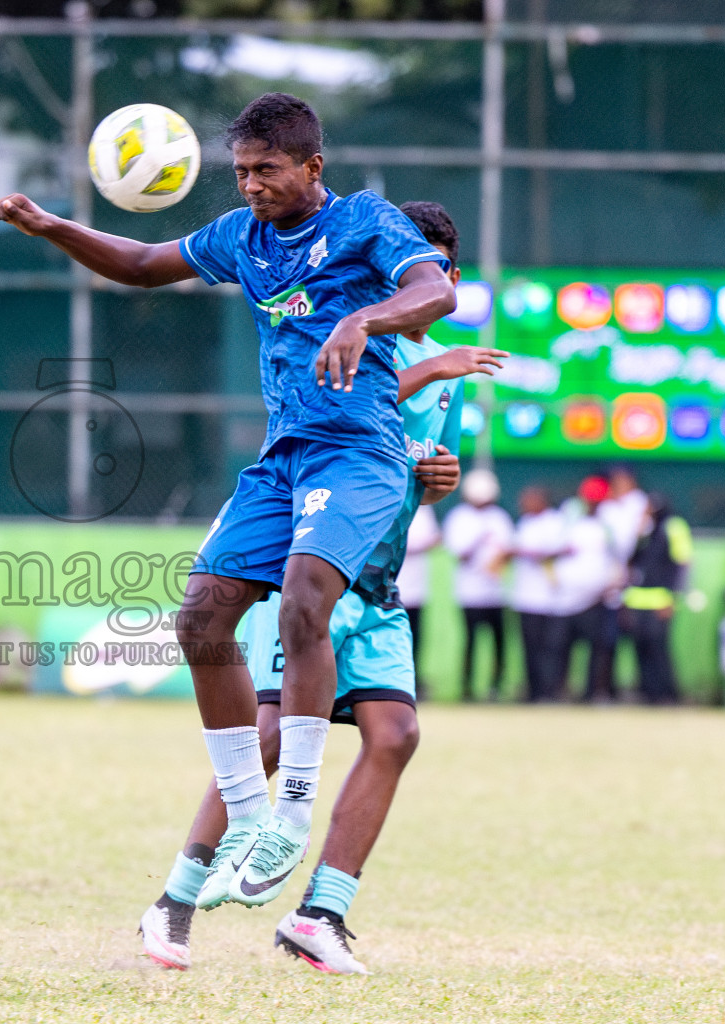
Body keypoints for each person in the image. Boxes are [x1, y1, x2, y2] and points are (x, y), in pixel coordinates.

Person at [0, 93, 457, 914]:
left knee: (306, 598)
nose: (251, 186)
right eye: (241, 172)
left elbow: (434, 293)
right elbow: (141, 264)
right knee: (201, 614)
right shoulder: (242, 238)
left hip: (361, 454)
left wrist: (366, 319)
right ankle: (247, 813)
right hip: (284, 460)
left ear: (312, 167)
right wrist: (53, 227)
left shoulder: (366, 222)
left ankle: (293, 811)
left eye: (267, 171)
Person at [139, 201, 506, 974]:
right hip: (314, 580)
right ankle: (174, 899)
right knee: (266, 739)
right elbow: (353, 409)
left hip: (376, 587)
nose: (402, 275)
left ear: (444, 276)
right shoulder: (364, 339)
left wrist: (437, 479)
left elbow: (411, 468)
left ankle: (321, 914)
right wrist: (424, 362)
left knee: (397, 737)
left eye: (427, 265)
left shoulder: (453, 375)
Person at [442, 469, 512, 701]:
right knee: (471, 641)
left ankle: (496, 686)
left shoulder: (500, 516)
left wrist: (500, 558)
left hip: (496, 592)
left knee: (498, 642)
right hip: (469, 592)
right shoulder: (459, 517)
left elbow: (509, 549)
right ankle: (467, 686)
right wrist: (478, 540)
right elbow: (458, 553)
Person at [622, 493, 692, 704]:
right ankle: (648, 692)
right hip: (638, 600)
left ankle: (667, 693)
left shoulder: (674, 526)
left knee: (658, 648)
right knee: (640, 648)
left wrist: (673, 597)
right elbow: (632, 561)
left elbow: (683, 564)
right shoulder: (645, 529)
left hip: (661, 600)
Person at [555, 475, 616, 701]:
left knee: (599, 650)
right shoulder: (569, 517)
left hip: (597, 597)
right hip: (567, 597)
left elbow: (616, 555)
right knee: (561, 649)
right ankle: (560, 692)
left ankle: (594, 693)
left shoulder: (609, 522)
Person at [508, 485, 569, 702]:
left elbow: (560, 550)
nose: (523, 504)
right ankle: (533, 691)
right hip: (525, 597)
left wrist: (524, 552)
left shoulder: (555, 521)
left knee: (550, 648)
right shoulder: (524, 522)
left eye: (528, 500)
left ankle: (550, 690)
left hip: (549, 597)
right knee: (529, 648)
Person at [595, 464, 649, 699]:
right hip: (610, 581)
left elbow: (641, 540)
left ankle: (644, 689)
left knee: (642, 640)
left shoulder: (640, 503)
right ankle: (607, 689)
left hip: (637, 581)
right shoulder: (606, 508)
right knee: (607, 640)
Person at [397, 504, 440, 693]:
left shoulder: (424, 509)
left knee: (414, 638)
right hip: (391, 587)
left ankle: (413, 682)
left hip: (416, 589)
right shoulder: (392, 502)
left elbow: (433, 539)